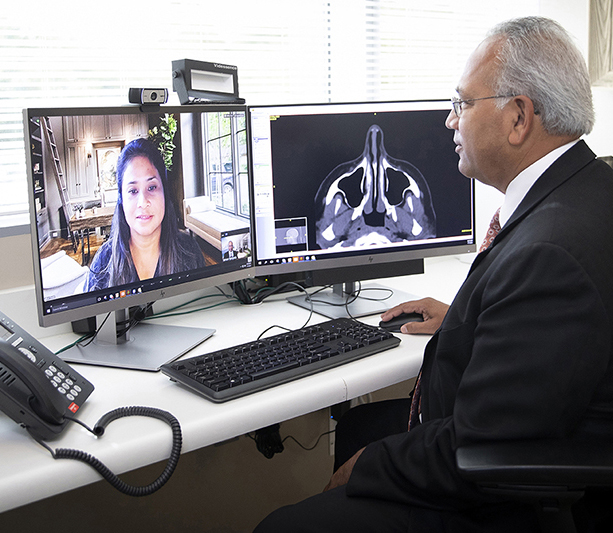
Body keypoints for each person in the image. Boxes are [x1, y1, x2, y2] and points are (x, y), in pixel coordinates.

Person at [254, 16, 613, 532]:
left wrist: (369, 468)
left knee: (280, 526)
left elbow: (483, 443)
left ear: (518, 117)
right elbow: (548, 336)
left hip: (499, 497)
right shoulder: (583, 189)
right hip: (512, 427)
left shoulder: (552, 253)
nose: (450, 121)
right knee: (358, 423)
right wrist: (471, 319)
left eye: (463, 104)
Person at [85, 138, 205, 291]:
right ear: (121, 199)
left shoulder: (189, 251)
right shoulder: (103, 262)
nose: (143, 202)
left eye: (152, 187)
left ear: (164, 192)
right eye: (133, 191)